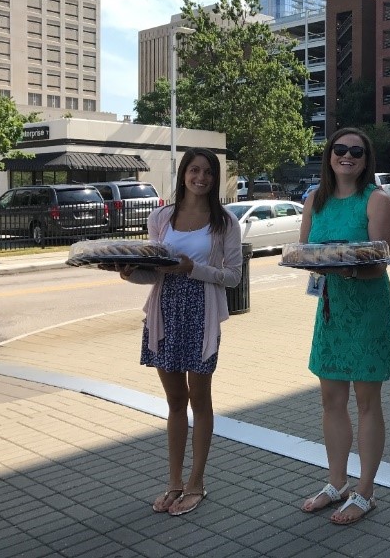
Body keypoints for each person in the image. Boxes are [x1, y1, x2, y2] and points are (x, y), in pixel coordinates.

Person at [118, 148, 242, 516]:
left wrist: (193, 269)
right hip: (164, 312)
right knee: (175, 401)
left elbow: (233, 276)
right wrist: (128, 272)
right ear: (183, 173)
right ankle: (174, 482)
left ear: (215, 179)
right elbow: (153, 271)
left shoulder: (225, 223)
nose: (200, 178)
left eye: (207, 172)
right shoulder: (161, 217)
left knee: (199, 399)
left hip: (202, 313)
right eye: (194, 170)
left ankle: (196, 483)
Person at [298, 127, 390, 525]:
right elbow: (304, 254)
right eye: (340, 149)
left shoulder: (376, 201)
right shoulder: (314, 201)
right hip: (330, 311)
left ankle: (366, 490)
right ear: (329, 155)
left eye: (356, 151)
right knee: (331, 400)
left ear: (365, 159)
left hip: (367, 309)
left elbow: (379, 262)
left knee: (367, 402)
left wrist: (345, 269)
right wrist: (321, 264)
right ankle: (336, 482)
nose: (347, 156)